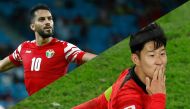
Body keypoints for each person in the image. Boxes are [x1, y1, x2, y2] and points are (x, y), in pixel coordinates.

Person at [0, 4, 97, 96]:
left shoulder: (64, 47)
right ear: (32, 26)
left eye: (50, 19)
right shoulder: (24, 48)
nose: (47, 22)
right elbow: (2, 66)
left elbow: (91, 58)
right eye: (42, 19)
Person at [73, 23, 167, 109]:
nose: (159, 62)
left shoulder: (132, 74)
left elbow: (102, 100)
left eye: (162, 54)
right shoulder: (128, 99)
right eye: (152, 55)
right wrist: (158, 98)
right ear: (136, 59)